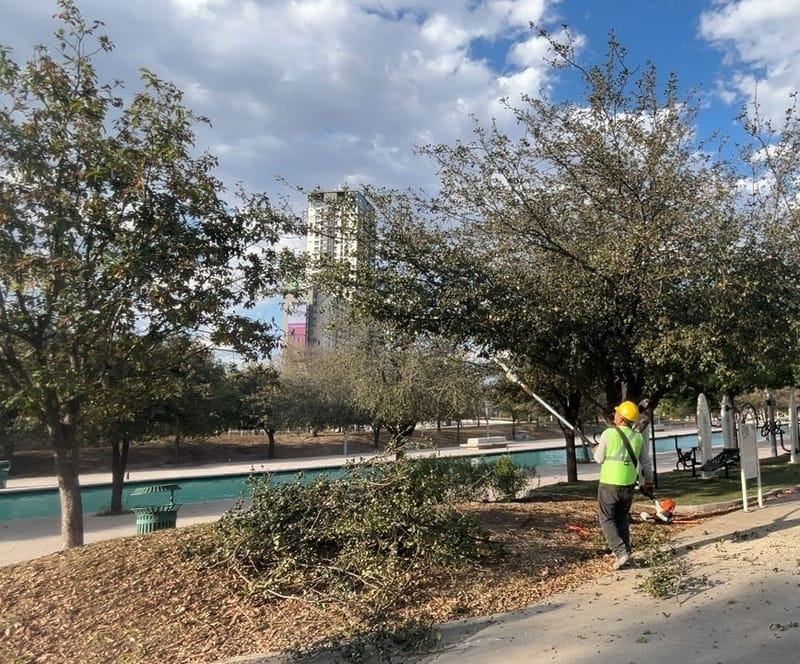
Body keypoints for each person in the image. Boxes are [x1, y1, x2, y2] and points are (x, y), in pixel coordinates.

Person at [592, 400, 654, 570]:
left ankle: (621, 552)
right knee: (621, 518)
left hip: (609, 483)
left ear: (621, 417)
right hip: (628, 484)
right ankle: (626, 553)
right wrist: (648, 481)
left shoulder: (608, 434)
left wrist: (596, 450)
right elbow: (646, 464)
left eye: (617, 412)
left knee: (606, 518)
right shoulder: (638, 437)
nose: (615, 414)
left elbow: (598, 459)